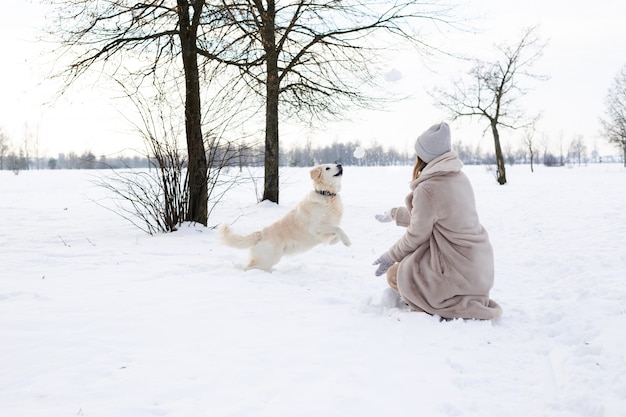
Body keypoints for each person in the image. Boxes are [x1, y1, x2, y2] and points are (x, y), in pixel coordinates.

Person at [372, 122, 502, 320]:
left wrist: (391, 255)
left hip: (455, 269)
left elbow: (417, 233)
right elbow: (439, 217)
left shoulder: (428, 189)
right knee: (411, 264)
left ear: (423, 157)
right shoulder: (459, 178)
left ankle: (439, 299)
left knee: (395, 274)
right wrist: (395, 213)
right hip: (478, 268)